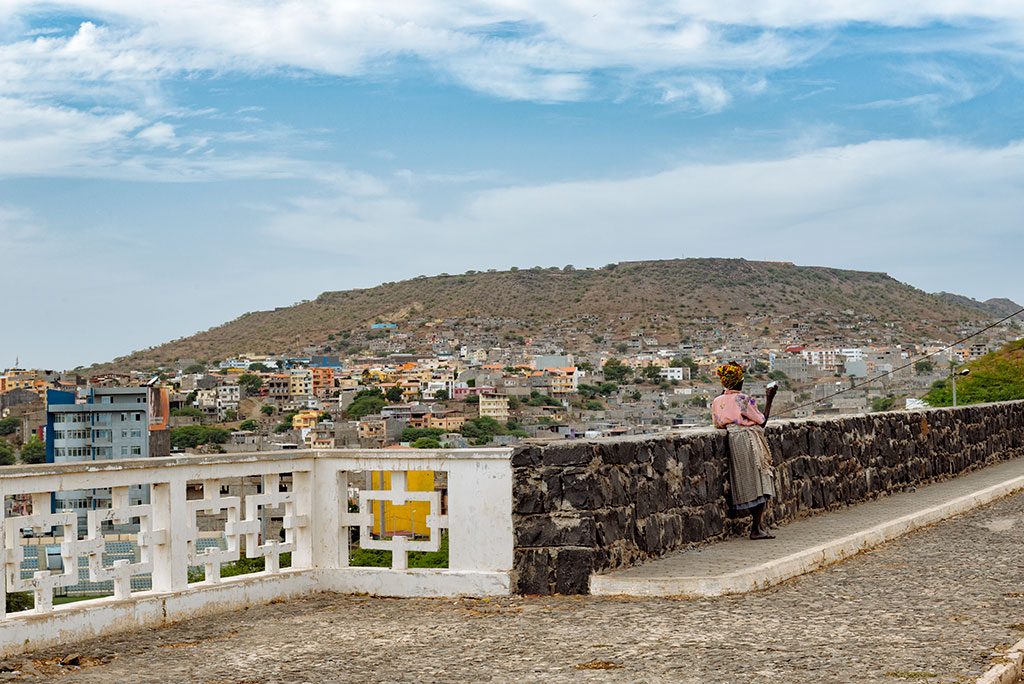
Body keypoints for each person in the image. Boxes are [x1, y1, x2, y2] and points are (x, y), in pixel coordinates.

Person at [711, 362, 778, 540]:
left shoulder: (717, 401)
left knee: (746, 481)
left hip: (734, 440)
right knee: (760, 479)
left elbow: (717, 423)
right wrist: (769, 398)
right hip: (748, 439)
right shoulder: (743, 399)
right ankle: (756, 528)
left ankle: (758, 526)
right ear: (740, 382)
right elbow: (761, 420)